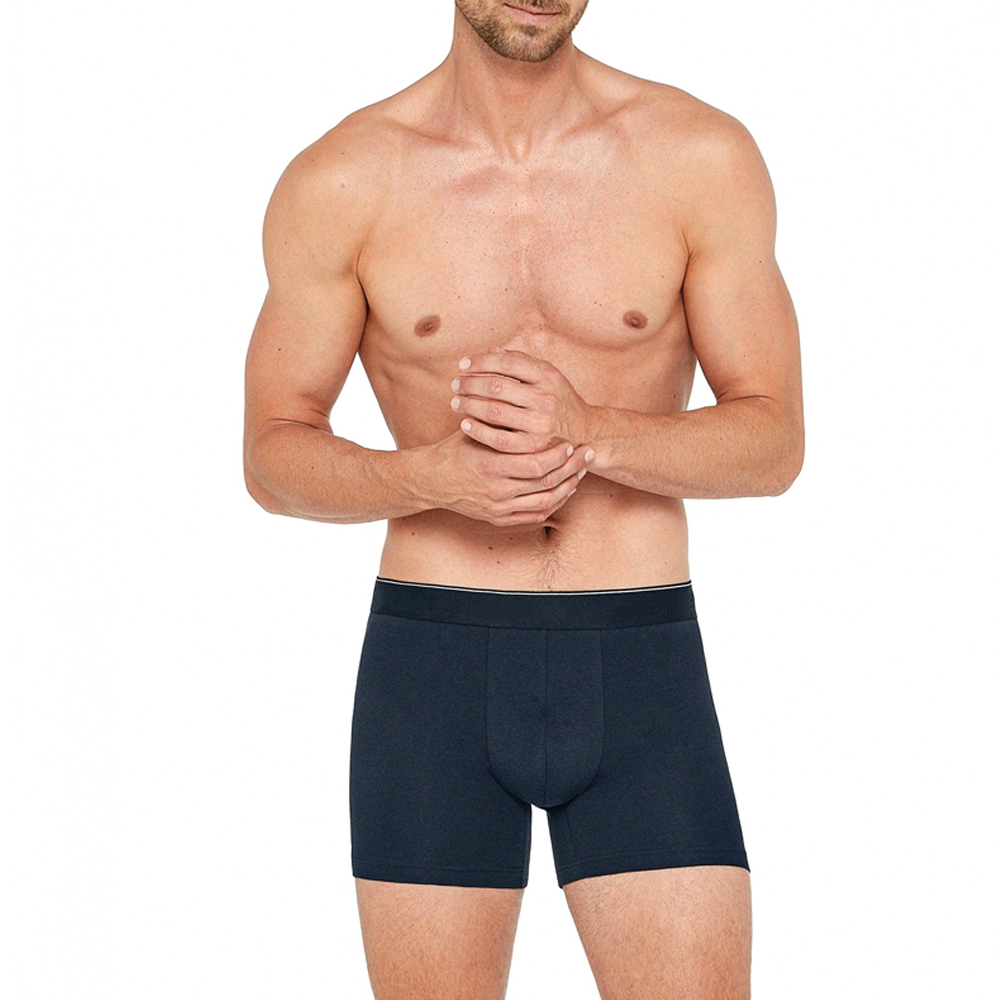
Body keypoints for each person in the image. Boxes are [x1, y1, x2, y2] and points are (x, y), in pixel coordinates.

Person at [242, 1, 804, 996]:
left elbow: (774, 443)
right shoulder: (344, 180)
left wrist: (593, 431)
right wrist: (423, 478)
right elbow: (272, 455)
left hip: (640, 661)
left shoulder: (697, 157)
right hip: (433, 670)